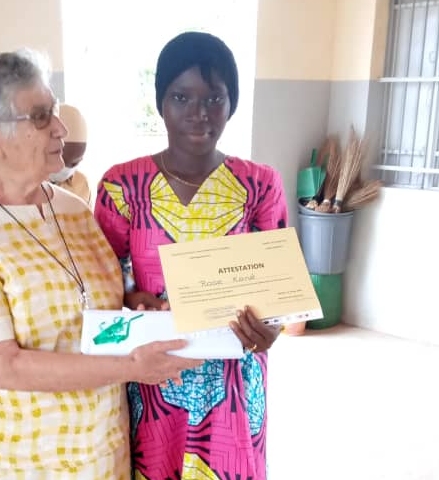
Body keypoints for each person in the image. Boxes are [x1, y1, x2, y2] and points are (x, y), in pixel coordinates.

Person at [0, 49, 202, 480]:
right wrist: (133, 368)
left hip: (99, 452)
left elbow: (86, 298)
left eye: (53, 110)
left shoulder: (72, 209)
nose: (61, 127)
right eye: (39, 117)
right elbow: (2, 366)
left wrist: (132, 304)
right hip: (17, 460)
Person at [93, 32, 288, 479]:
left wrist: (271, 326)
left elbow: (278, 289)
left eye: (215, 98)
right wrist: (131, 297)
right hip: (154, 375)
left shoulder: (259, 185)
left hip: (234, 380)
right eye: (182, 96)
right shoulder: (123, 187)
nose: (199, 113)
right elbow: (103, 279)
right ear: (161, 101)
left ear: (231, 104)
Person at [48, 104, 92, 204]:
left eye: (74, 163)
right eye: (59, 158)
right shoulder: (20, 185)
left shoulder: (82, 184)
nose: (63, 168)